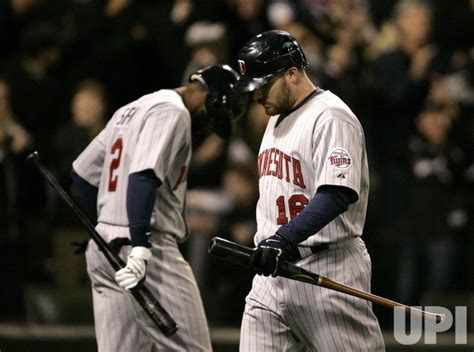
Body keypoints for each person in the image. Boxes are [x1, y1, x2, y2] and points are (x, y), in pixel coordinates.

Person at [71, 64, 245, 351]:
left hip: (105, 247)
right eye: (213, 116)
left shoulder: (132, 109)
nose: (209, 125)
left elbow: (82, 176)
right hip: (148, 249)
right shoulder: (171, 111)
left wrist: (107, 223)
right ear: (208, 97)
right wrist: (139, 244)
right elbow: (143, 176)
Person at [234, 30, 384, 351]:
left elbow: (336, 194)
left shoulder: (330, 116)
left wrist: (282, 239)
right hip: (271, 276)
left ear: (292, 73)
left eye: (263, 85)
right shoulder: (276, 118)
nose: (256, 95)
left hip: (327, 268)